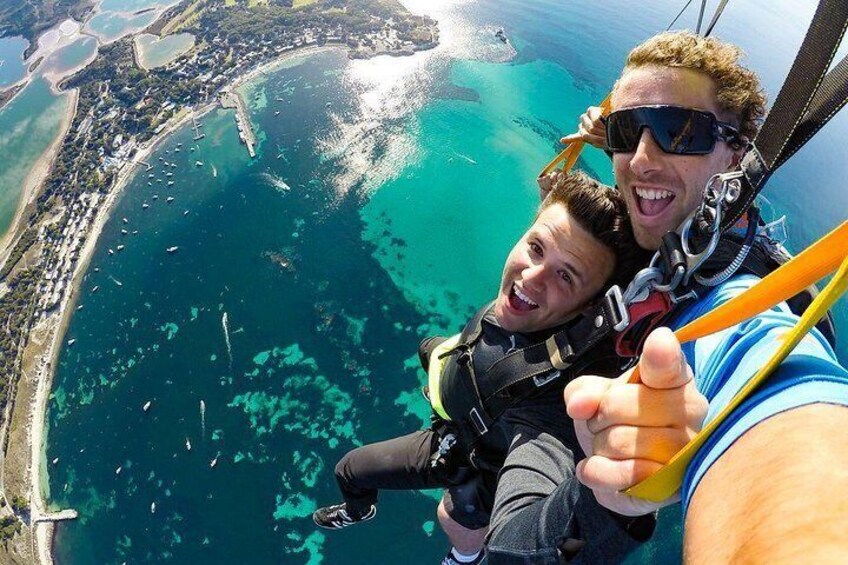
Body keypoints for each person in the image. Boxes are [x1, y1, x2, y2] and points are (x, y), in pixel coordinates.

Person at [485, 30, 848, 563]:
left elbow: (775, 388)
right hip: (547, 377)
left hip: (570, 423)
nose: (642, 159)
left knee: (484, 533)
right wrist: (605, 135)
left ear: (737, 153)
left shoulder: (739, 297)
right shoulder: (660, 223)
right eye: (631, 131)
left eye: (681, 132)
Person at [312, 171, 651, 564]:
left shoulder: (552, 407)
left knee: (377, 482)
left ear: (590, 308)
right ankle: (369, 509)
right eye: (536, 248)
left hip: (463, 453)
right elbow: (558, 231)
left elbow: (523, 529)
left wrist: (607, 508)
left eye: (565, 276)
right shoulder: (533, 303)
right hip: (466, 372)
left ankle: (454, 554)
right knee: (424, 357)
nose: (531, 277)